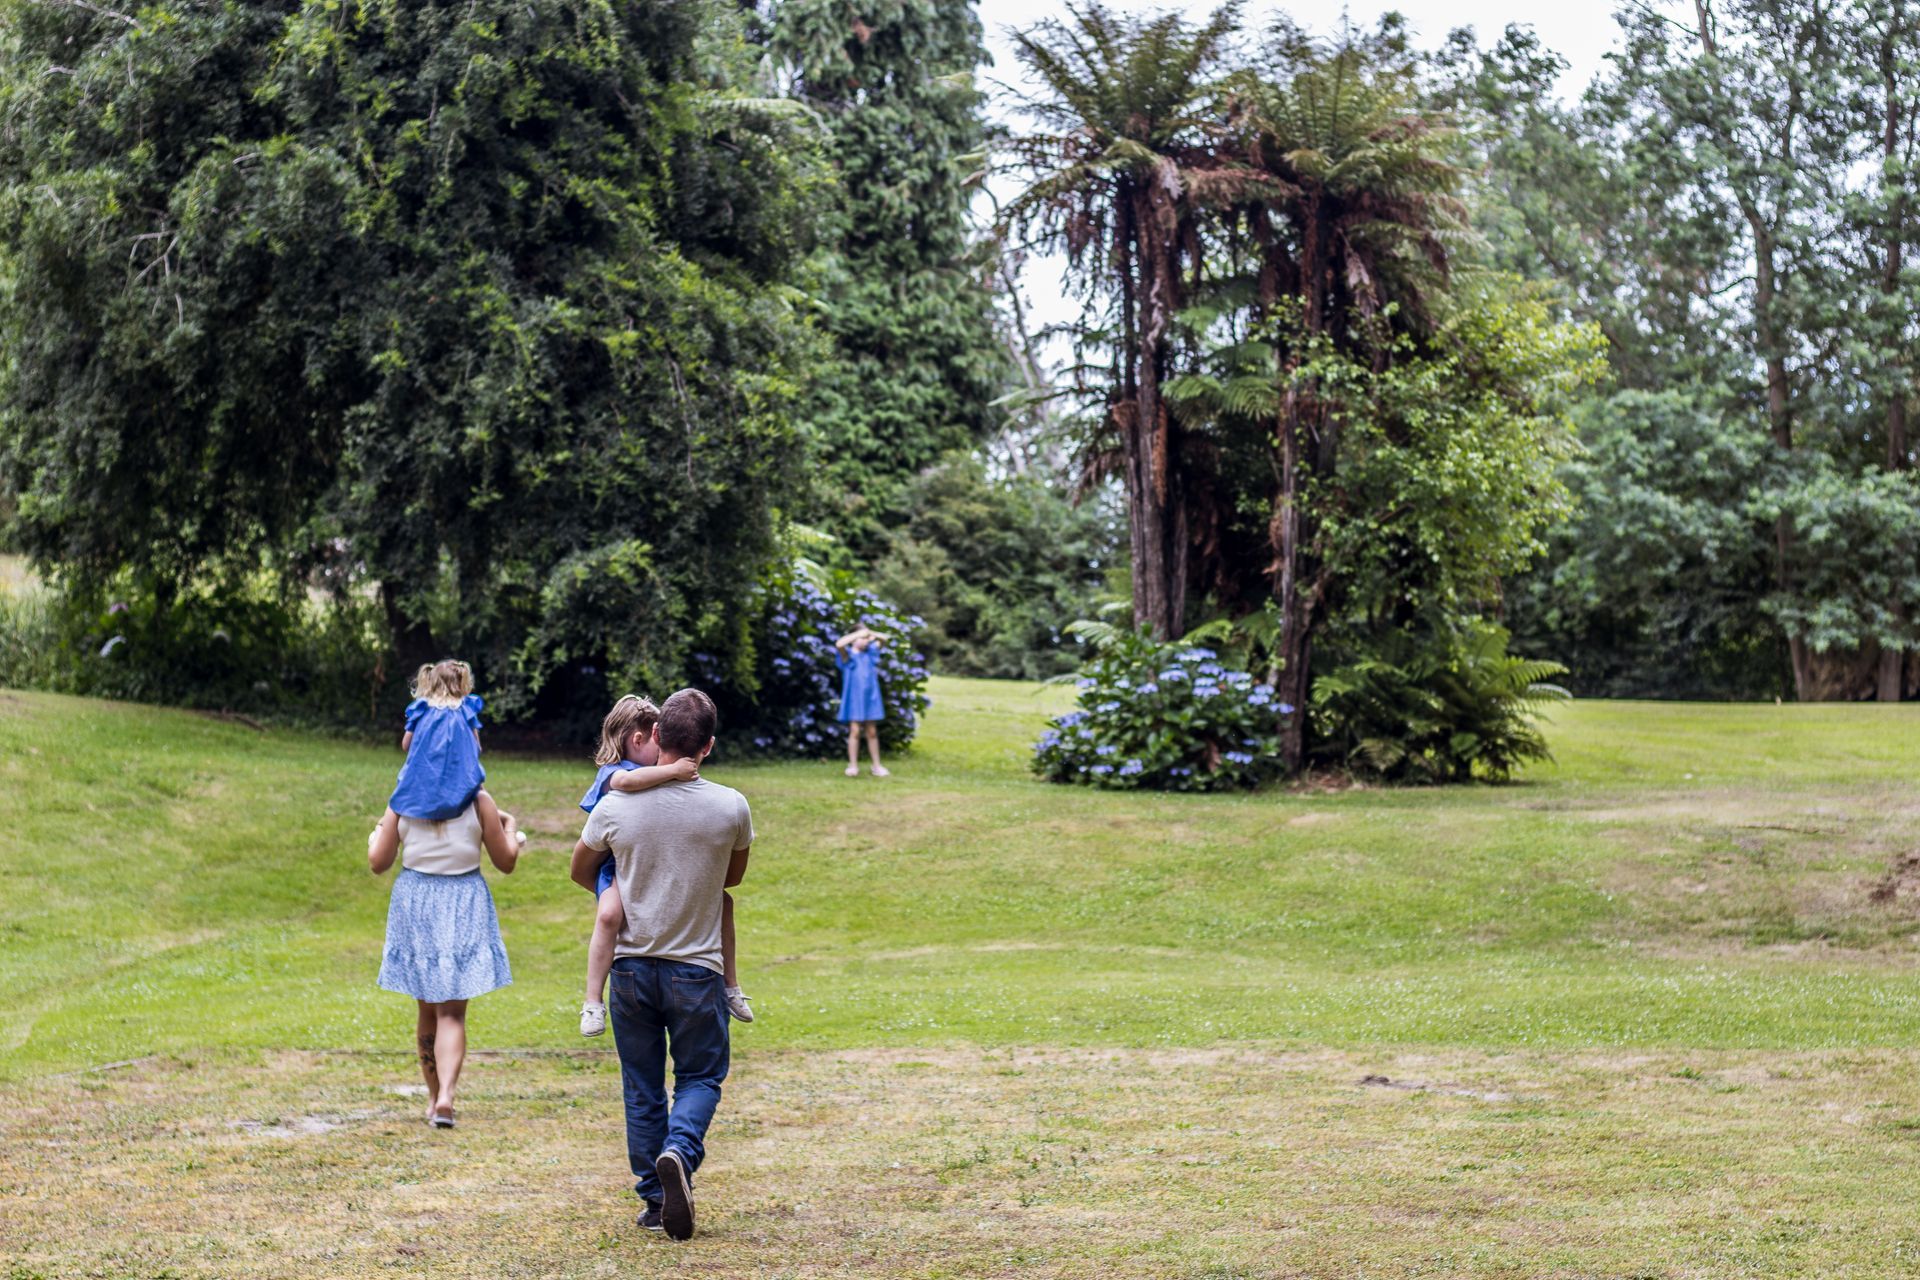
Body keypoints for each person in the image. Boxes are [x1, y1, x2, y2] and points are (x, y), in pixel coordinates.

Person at [570, 688, 752, 1242]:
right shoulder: (731, 806)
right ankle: (679, 1150)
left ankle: (655, 1200)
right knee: (700, 1076)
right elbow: (732, 879)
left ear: (657, 736)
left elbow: (580, 870)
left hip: (629, 969)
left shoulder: (614, 805)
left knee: (642, 1087)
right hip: (697, 968)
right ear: (708, 746)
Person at [577, 695, 754, 1035]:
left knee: (724, 902)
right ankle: (592, 1002)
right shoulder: (617, 775)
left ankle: (731, 986)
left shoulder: (648, 775)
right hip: (614, 868)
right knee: (610, 914)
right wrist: (672, 770)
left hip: (632, 876)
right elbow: (625, 786)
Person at [367, 788, 523, 1128]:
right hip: (463, 899)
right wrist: (509, 826)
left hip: (416, 900)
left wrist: (379, 830)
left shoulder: (403, 799)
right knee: (452, 1012)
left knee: (426, 1008)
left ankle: (433, 1096)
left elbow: (378, 862)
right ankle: (446, 1098)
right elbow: (506, 861)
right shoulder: (478, 801)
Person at [391, 659, 486, 821]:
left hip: (422, 785)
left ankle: (384, 829)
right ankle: (501, 826)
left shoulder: (421, 708)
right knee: (483, 797)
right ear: (462, 684)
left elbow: (406, 745)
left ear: (430, 682)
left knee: (396, 804)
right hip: (460, 786)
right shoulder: (466, 710)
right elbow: (477, 749)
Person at [834, 625, 889, 778]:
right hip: (854, 699)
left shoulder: (870, 654)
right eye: (862, 638)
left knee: (872, 732)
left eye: (866, 639)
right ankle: (853, 766)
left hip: (870, 698)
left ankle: (876, 766)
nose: (865, 641)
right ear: (853, 639)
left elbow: (884, 639)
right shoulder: (848, 656)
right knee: (855, 731)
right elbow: (839, 644)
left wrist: (869, 633)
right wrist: (858, 634)